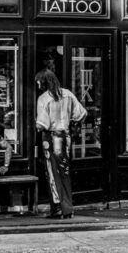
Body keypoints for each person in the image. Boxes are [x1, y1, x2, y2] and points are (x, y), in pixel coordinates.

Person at [35, 68, 87, 219]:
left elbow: (42, 124)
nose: (38, 84)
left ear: (44, 82)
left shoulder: (44, 98)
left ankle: (57, 208)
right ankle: (67, 207)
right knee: (64, 172)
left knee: (52, 172)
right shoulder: (68, 94)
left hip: (51, 137)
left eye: (39, 81)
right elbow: (82, 114)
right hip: (65, 136)